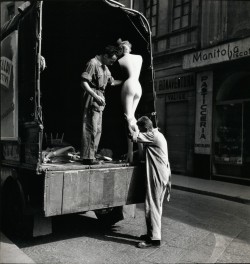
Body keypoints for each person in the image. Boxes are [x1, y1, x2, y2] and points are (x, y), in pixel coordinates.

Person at [131, 116, 171, 249]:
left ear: (146, 128)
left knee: (152, 205)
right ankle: (152, 234)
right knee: (156, 205)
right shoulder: (158, 135)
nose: (142, 132)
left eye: (142, 130)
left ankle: (154, 240)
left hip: (157, 174)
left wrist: (131, 121)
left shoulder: (152, 135)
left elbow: (134, 136)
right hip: (162, 174)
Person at [80, 45, 122, 165]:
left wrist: (127, 81)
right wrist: (95, 96)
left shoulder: (105, 67)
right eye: (111, 60)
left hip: (99, 100)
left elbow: (112, 82)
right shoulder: (93, 63)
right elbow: (83, 82)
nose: (112, 63)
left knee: (97, 129)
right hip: (92, 97)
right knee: (90, 127)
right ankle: (87, 157)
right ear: (105, 56)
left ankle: (91, 156)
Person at [117, 39, 143, 163]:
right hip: (138, 86)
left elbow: (123, 76)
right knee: (133, 119)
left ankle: (130, 153)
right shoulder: (139, 57)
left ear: (122, 49)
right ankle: (141, 149)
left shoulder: (120, 60)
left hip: (129, 85)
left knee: (128, 119)